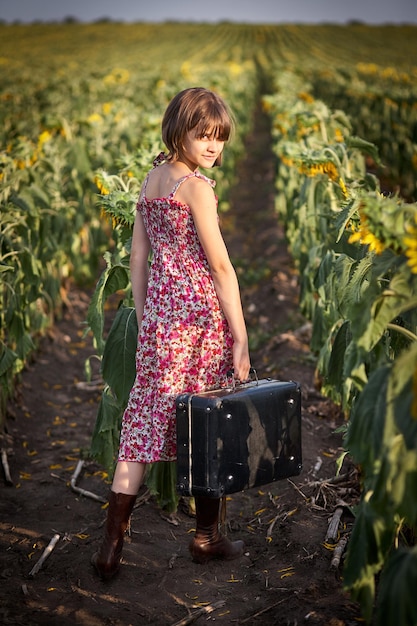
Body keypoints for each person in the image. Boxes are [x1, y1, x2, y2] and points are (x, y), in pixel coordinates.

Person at [92, 87, 251, 580]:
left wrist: (145, 315)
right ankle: (206, 537)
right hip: (200, 321)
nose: (212, 147)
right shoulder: (197, 189)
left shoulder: (152, 179)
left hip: (162, 319)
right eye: (203, 136)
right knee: (206, 422)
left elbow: (139, 256)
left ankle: (112, 541)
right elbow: (221, 267)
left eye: (219, 138)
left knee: (142, 423)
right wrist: (241, 337)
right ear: (177, 131)